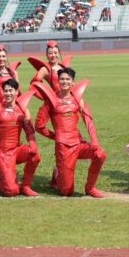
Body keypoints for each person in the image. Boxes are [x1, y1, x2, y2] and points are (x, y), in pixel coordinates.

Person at [34, 68, 106, 198]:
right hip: (64, 147)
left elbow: (88, 120)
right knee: (67, 191)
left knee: (100, 154)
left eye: (68, 79)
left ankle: (90, 188)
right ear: (58, 81)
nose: (65, 81)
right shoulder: (50, 100)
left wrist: (94, 140)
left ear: (73, 82)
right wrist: (55, 136)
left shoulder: (78, 99)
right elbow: (39, 126)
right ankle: (58, 174)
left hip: (79, 144)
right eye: (62, 79)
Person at [0, 79, 40, 197]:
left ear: (17, 92)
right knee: (12, 191)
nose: (8, 93)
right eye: (5, 91)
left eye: (10, 90)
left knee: (35, 155)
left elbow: (30, 131)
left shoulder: (22, 110)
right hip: (3, 153)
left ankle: (26, 186)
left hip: (17, 151)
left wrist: (33, 145)